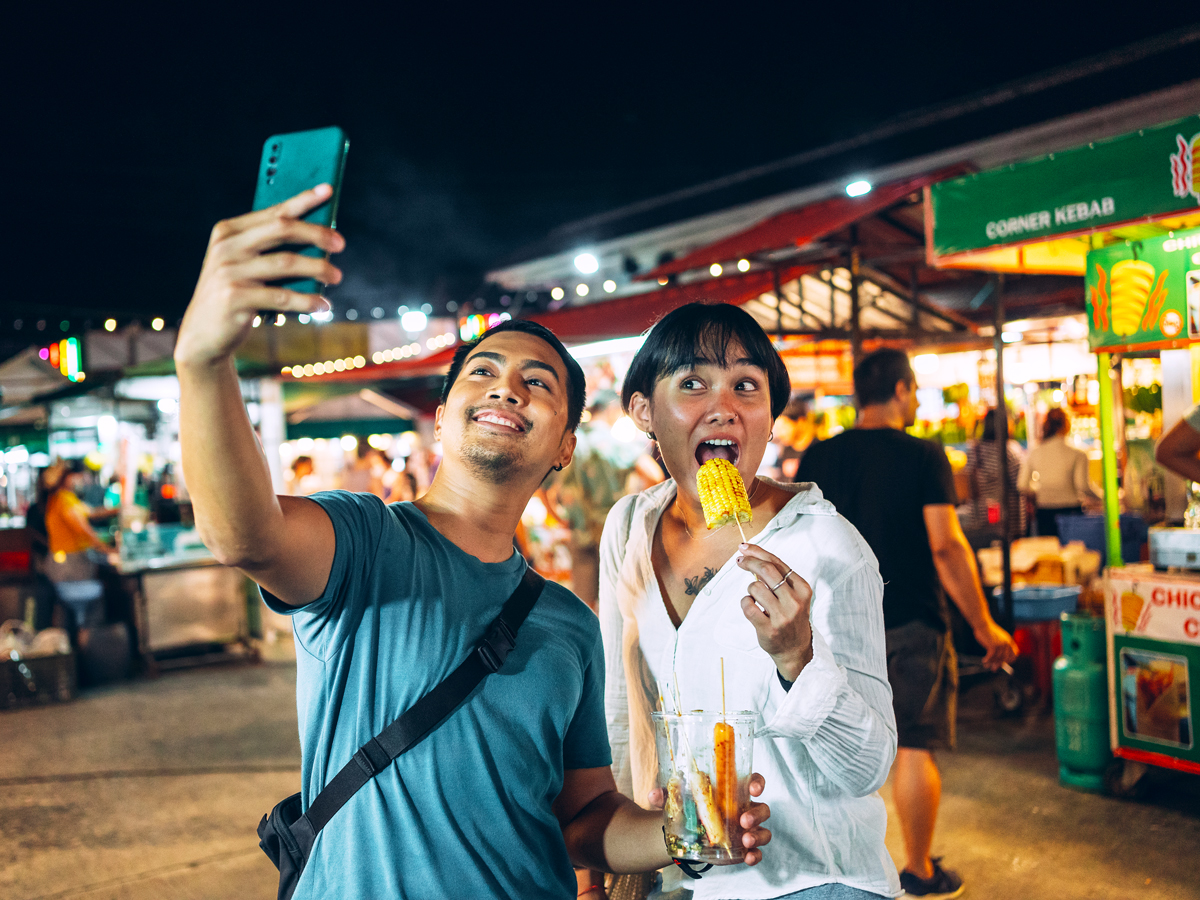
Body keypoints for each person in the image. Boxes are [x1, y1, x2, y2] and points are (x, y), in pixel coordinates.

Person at [173, 185, 770, 900]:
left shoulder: (570, 627)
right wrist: (203, 364)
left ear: (564, 448)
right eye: (482, 372)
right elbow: (244, 533)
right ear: (442, 419)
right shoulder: (364, 542)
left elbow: (584, 819)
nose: (506, 388)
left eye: (537, 382)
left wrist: (685, 836)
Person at [599, 302, 898, 900]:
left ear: (768, 415)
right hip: (681, 871)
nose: (724, 407)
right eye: (692, 383)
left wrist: (798, 658)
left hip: (815, 880)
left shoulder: (826, 544)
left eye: (745, 385)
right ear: (643, 412)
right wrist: (620, 863)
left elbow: (869, 768)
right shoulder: (630, 525)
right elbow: (620, 708)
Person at [798, 348, 1018, 899]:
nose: (917, 400)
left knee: (835, 745)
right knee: (914, 743)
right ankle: (917, 869)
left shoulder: (818, 457)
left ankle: (840, 867)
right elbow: (945, 547)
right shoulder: (923, 455)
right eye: (915, 390)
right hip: (912, 620)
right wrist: (985, 626)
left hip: (832, 626)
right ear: (899, 390)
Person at [1018, 408, 1101, 538]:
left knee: (1050, 554)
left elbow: (1022, 485)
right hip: (1071, 511)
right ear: (1067, 425)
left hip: (1044, 510)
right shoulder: (1078, 453)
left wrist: (1041, 489)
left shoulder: (1035, 452)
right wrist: (1103, 497)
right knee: (1073, 553)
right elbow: (1083, 486)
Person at [964, 408, 1026, 540]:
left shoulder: (974, 451)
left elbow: (968, 482)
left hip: (980, 517)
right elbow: (1020, 484)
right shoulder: (1010, 451)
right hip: (1009, 518)